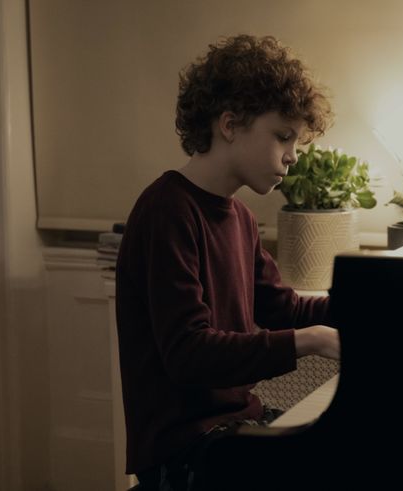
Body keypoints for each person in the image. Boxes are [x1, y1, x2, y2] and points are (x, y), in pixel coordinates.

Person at [115, 34, 340, 491]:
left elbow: (285, 310)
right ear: (230, 124)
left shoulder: (240, 217)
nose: (293, 156)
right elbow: (189, 356)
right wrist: (311, 340)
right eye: (283, 136)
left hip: (232, 428)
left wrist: (375, 304)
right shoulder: (168, 210)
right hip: (182, 449)